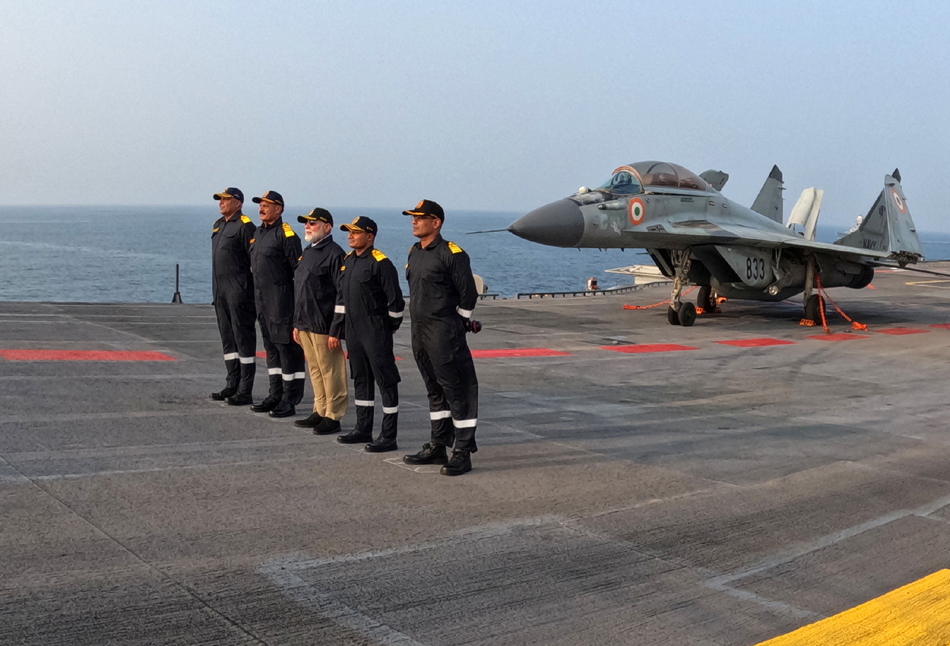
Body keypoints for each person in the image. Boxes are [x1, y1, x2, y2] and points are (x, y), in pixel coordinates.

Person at [401, 199, 480, 476]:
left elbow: (468, 292)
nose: (414, 221)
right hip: (420, 331)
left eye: (420, 217)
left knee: (457, 390)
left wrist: (459, 322)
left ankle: (463, 451)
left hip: (443, 332)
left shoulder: (451, 253)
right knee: (434, 389)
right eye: (412, 217)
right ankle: (438, 444)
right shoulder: (415, 252)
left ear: (436, 222)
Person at [334, 216, 404, 452]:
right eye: (349, 232)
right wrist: (338, 329)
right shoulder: (348, 261)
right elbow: (342, 299)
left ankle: (389, 436)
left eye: (355, 232)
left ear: (370, 236)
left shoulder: (380, 263)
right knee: (361, 379)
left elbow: (395, 302)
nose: (350, 236)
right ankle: (363, 428)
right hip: (353, 331)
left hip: (375, 331)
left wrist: (388, 327)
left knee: (386, 381)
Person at [248, 191, 306, 418]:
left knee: (287, 350)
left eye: (266, 205)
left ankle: (290, 399)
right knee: (271, 348)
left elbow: (298, 273)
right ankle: (275, 394)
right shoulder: (258, 233)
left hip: (281, 302)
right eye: (260, 205)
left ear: (278, 209)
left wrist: (296, 306)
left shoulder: (286, 235)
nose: (261, 208)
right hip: (262, 301)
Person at [292, 208, 348, 434]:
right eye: (306, 223)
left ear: (327, 227)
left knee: (331, 371)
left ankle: (333, 415)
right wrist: (297, 324)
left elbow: (341, 294)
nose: (307, 226)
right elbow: (301, 289)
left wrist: (336, 329)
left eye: (313, 223)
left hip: (324, 324)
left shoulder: (335, 254)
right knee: (315, 369)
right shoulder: (307, 252)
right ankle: (320, 409)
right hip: (305, 322)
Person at [209, 187, 257, 405]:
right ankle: (232, 384)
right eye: (220, 199)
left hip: (239, 294)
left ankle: (245, 390)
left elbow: (254, 261)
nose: (221, 202)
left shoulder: (245, 226)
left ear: (238, 203)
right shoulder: (219, 225)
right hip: (221, 294)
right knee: (228, 340)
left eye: (226, 199)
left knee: (243, 340)